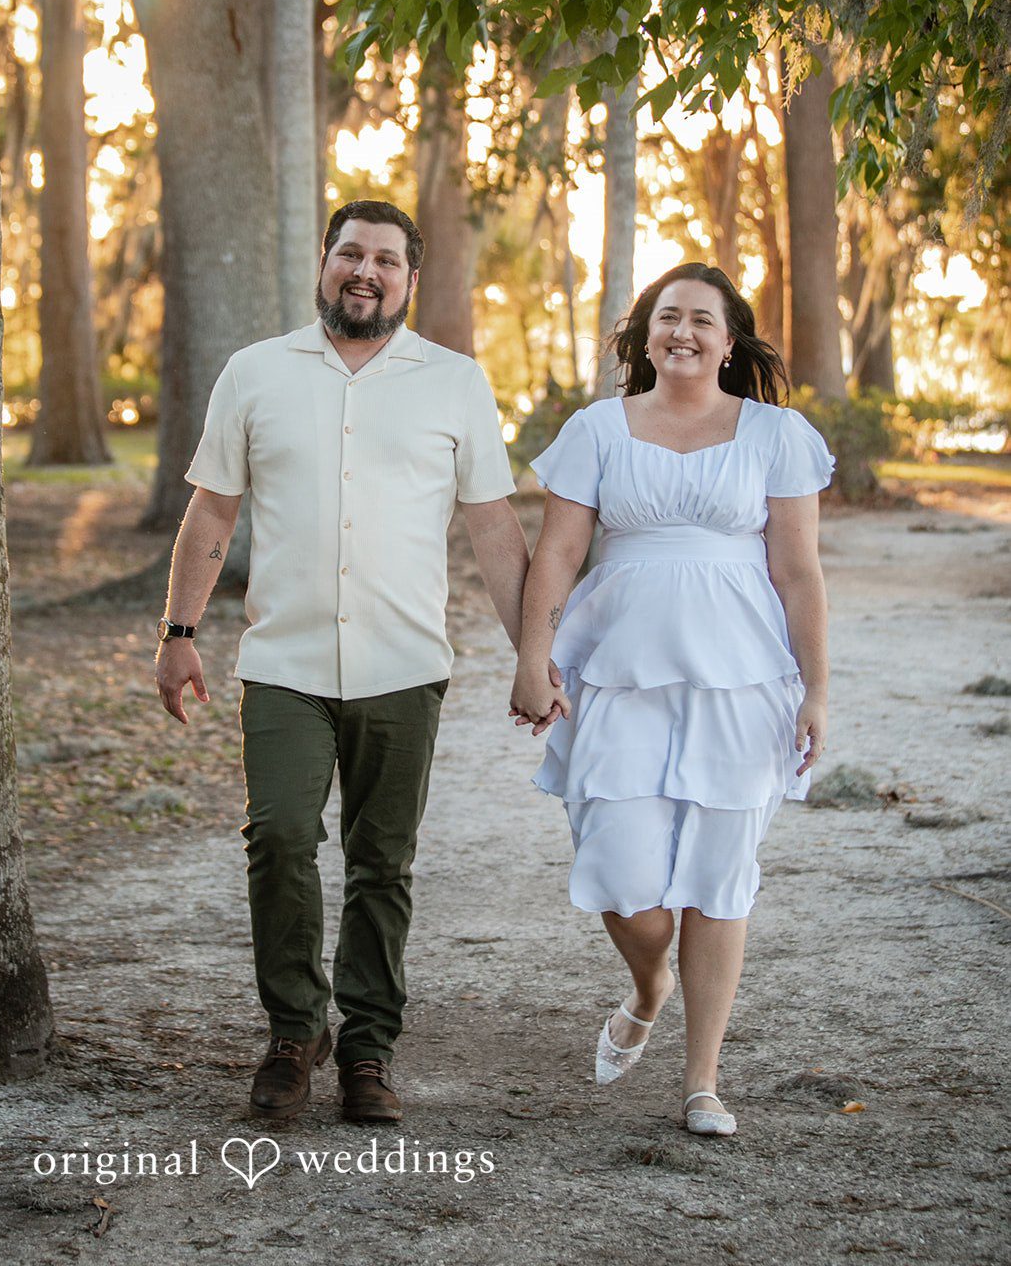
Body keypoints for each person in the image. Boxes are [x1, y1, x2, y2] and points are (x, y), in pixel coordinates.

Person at [155, 200, 529, 1125]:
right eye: (350, 254)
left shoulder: (453, 382)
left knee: (381, 863)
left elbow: (493, 527)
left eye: (387, 261)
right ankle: (293, 1032)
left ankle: (367, 1047)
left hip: (404, 667)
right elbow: (211, 513)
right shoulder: (255, 373)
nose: (366, 272)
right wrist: (177, 634)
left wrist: (537, 656)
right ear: (324, 263)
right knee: (280, 837)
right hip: (283, 663)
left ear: (411, 279)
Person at [510, 262, 834, 1137]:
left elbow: (797, 571)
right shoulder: (596, 430)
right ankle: (648, 984)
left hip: (742, 678)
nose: (681, 331)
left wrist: (816, 690)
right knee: (624, 879)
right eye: (665, 317)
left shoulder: (776, 434)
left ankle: (701, 1082)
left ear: (730, 341)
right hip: (615, 670)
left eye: (700, 319)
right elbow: (557, 555)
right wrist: (533, 658)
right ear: (643, 335)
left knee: (719, 882)